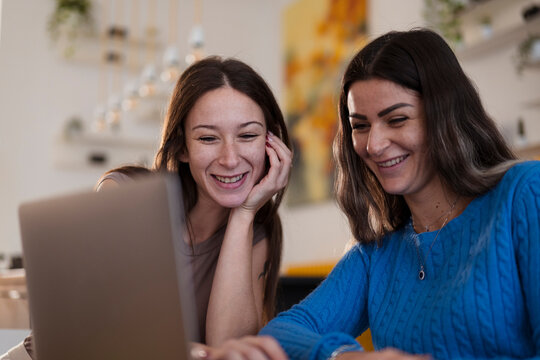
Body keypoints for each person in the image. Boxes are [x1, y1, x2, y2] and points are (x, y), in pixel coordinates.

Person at [255, 28, 540, 360]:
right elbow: (278, 333)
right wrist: (343, 357)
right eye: (360, 125)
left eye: (397, 119)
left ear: (444, 115)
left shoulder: (525, 194)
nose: (374, 145)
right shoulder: (376, 254)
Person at [2, 56, 292, 360]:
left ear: (270, 144)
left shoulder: (259, 231)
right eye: (208, 138)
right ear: (182, 147)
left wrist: (244, 214)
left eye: (247, 136)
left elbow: (226, 347)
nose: (230, 158)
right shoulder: (124, 192)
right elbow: (106, 337)